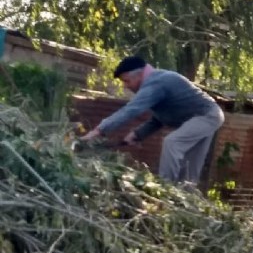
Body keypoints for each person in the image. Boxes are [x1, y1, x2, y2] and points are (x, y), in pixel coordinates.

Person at [80, 56, 224, 184]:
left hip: (207, 115)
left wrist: (97, 131)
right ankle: (185, 205)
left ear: (139, 75)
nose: (126, 86)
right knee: (189, 175)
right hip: (204, 117)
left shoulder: (156, 82)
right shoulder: (155, 83)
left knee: (172, 142)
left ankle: (165, 187)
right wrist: (138, 134)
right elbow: (159, 119)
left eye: (126, 81)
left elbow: (130, 110)